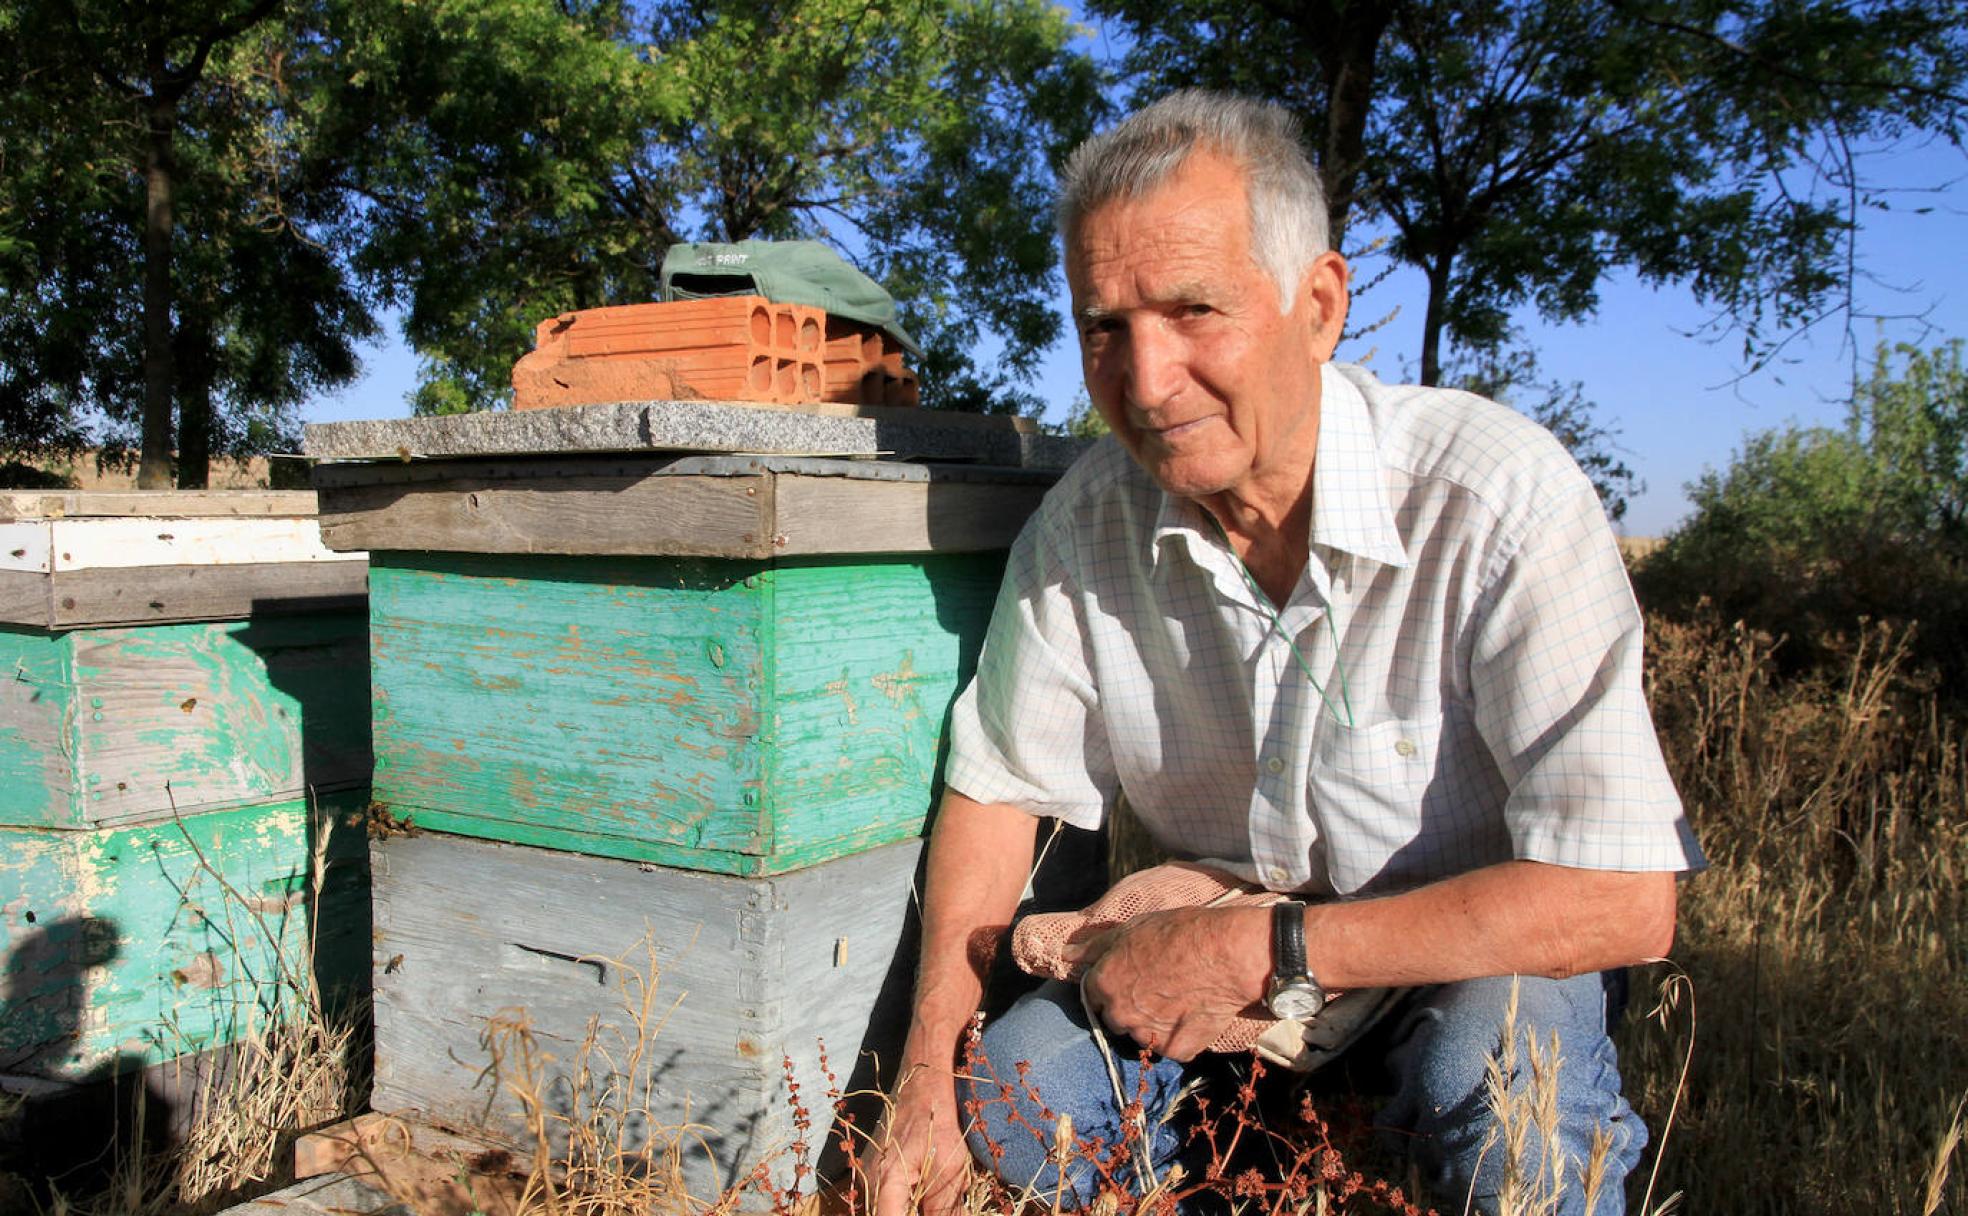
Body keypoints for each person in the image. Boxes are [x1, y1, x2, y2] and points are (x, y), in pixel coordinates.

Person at [871, 90, 1703, 1216]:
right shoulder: (1083, 525)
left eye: (1194, 310)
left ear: (1319, 304)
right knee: (1025, 1094)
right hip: (1207, 950)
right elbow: (1001, 784)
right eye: (1104, 325)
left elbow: (1620, 898)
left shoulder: (1498, 498)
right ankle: (1248, 1177)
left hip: (1453, 956)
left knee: (1506, 1092)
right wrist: (925, 1081)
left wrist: (1260, 949)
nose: (1147, 380)